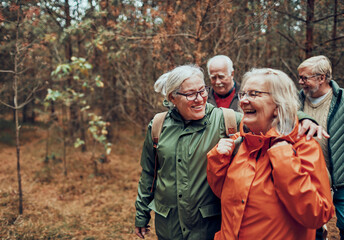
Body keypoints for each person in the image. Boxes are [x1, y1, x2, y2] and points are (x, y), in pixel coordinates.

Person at [134, 64, 327, 240]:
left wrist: (303, 118)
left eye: (202, 90)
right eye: (191, 94)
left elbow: (268, 117)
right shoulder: (158, 126)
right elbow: (149, 175)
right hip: (170, 227)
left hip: (206, 228)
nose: (200, 98)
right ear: (172, 98)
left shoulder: (225, 120)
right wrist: (142, 214)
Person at [207, 68, 334, 240]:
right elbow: (224, 194)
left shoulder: (303, 147)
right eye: (243, 93)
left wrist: (283, 159)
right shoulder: (239, 143)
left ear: (278, 105)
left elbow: (317, 215)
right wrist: (218, 160)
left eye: (254, 94)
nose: (243, 100)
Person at [297, 55, 344, 239]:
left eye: (304, 78)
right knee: (311, 232)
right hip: (308, 180)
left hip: (341, 182)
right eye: (300, 77)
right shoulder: (294, 102)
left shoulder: (341, 100)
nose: (300, 82)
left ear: (321, 78)